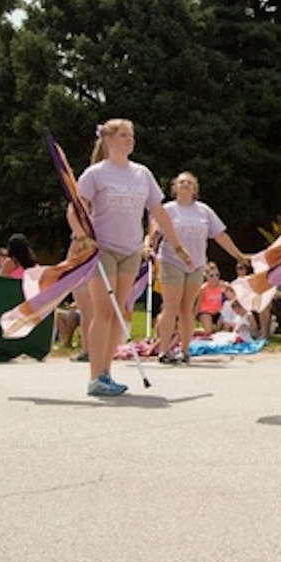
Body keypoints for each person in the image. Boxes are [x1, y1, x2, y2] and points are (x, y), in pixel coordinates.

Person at [70, 119, 192, 397]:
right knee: (102, 310)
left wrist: (177, 245)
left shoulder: (142, 174)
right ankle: (94, 377)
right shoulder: (95, 174)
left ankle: (106, 372)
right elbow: (74, 210)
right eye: (124, 135)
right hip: (103, 249)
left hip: (131, 250)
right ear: (110, 140)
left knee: (118, 311)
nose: (129, 140)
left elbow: (159, 212)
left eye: (131, 135)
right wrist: (81, 236)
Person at [150, 171, 247, 363]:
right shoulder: (168, 209)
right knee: (171, 307)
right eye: (182, 182)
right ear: (174, 187)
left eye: (190, 183)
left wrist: (238, 255)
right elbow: (154, 233)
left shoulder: (204, 211)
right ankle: (164, 350)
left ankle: (185, 350)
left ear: (195, 189)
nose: (186, 185)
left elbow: (220, 235)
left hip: (196, 264)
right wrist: (148, 248)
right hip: (172, 261)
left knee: (187, 308)